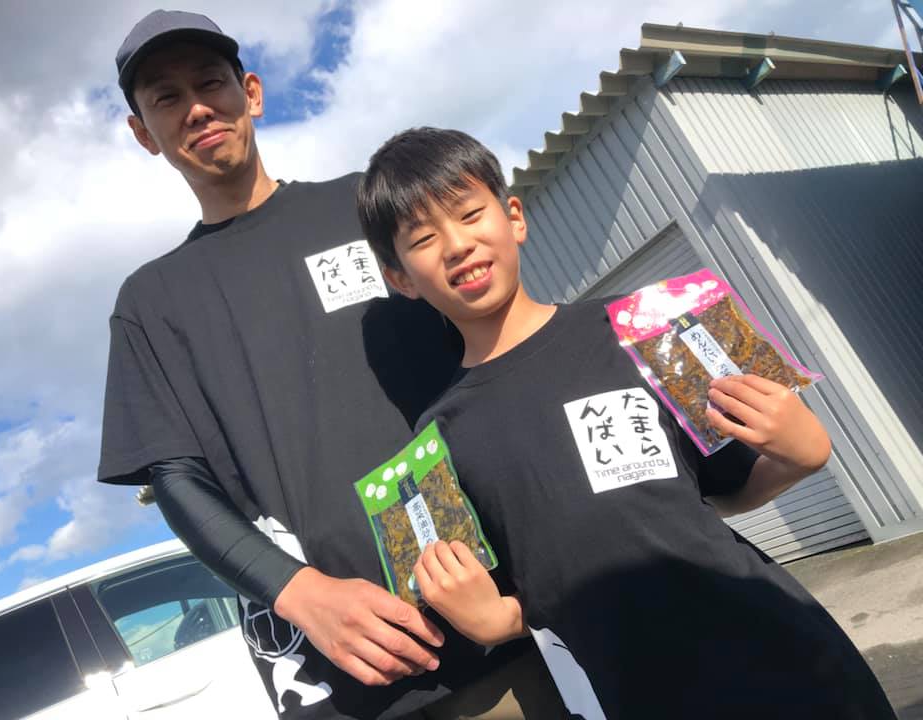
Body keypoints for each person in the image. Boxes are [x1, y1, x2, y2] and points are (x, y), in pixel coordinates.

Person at [98, 11, 566, 720]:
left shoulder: (365, 209)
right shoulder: (151, 303)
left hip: (487, 629)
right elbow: (176, 480)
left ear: (251, 93)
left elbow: (493, 342)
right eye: (167, 97)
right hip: (336, 678)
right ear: (143, 133)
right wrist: (302, 593)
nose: (196, 108)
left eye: (211, 83)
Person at [356, 126, 898, 720]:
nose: (457, 244)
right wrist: (497, 620)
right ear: (400, 277)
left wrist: (804, 453)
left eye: (469, 214)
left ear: (513, 217)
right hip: (637, 694)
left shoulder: (637, 331)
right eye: (424, 238)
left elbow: (727, 491)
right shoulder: (438, 440)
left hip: (788, 658)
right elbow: (538, 588)